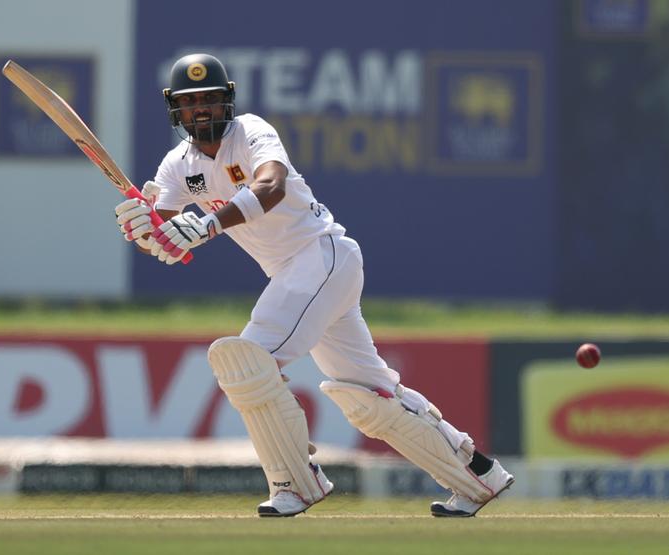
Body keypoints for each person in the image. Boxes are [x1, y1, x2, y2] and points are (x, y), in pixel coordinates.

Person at [115, 53, 513, 517]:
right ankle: (478, 475)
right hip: (301, 274)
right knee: (371, 397)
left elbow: (272, 187)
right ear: (175, 109)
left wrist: (204, 226)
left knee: (247, 361)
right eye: (190, 102)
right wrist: (144, 228)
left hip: (321, 256)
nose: (200, 109)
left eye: (210, 98)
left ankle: (298, 483)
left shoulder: (251, 132)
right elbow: (163, 238)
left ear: (228, 100)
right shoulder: (177, 165)